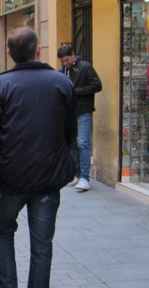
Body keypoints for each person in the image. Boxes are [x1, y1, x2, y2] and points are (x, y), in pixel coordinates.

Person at [0, 27, 77, 288]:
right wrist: (64, 166)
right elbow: (70, 134)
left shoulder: (0, 85)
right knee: (42, 245)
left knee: (3, 234)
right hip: (48, 178)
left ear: (10, 54)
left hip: (9, 179)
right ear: (38, 50)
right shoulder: (62, 83)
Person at [58, 44, 102, 191]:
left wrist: (75, 92)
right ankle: (76, 174)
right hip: (69, 112)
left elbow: (97, 85)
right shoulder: (63, 70)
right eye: (62, 62)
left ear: (73, 55)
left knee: (83, 143)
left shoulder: (85, 67)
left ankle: (84, 177)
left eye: (66, 60)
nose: (65, 63)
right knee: (72, 144)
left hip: (83, 110)